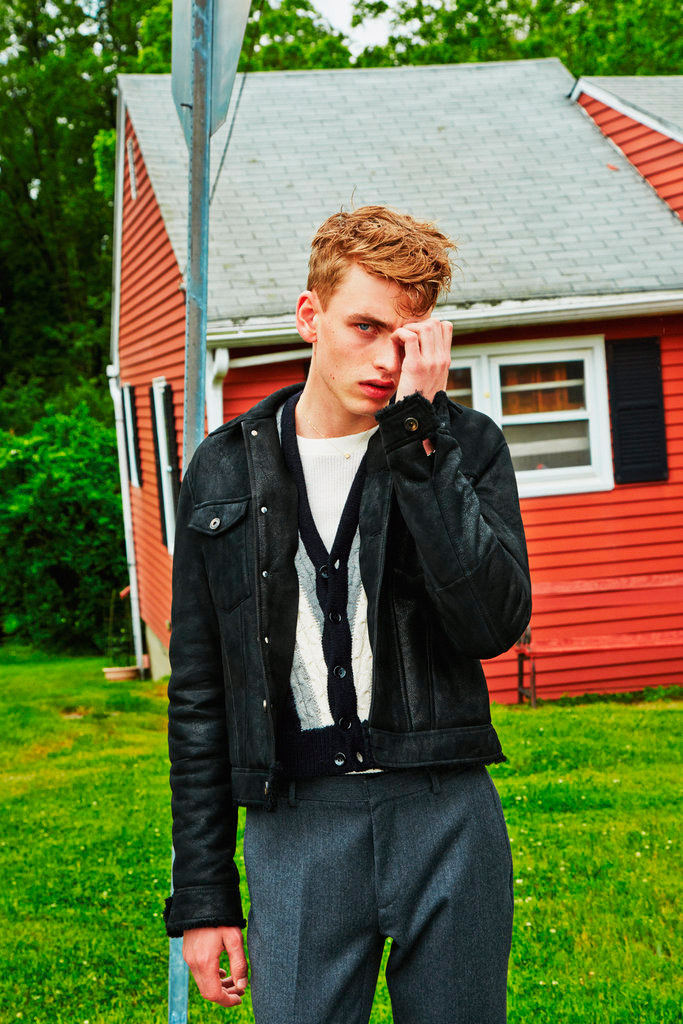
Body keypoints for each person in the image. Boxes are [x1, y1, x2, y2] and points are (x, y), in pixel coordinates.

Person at [164, 205, 531, 1024]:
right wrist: (203, 894)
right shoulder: (224, 469)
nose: (384, 359)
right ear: (310, 316)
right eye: (364, 327)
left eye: (407, 337)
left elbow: (490, 626)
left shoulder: (461, 446)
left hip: (445, 810)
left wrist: (419, 440)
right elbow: (199, 693)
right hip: (297, 823)